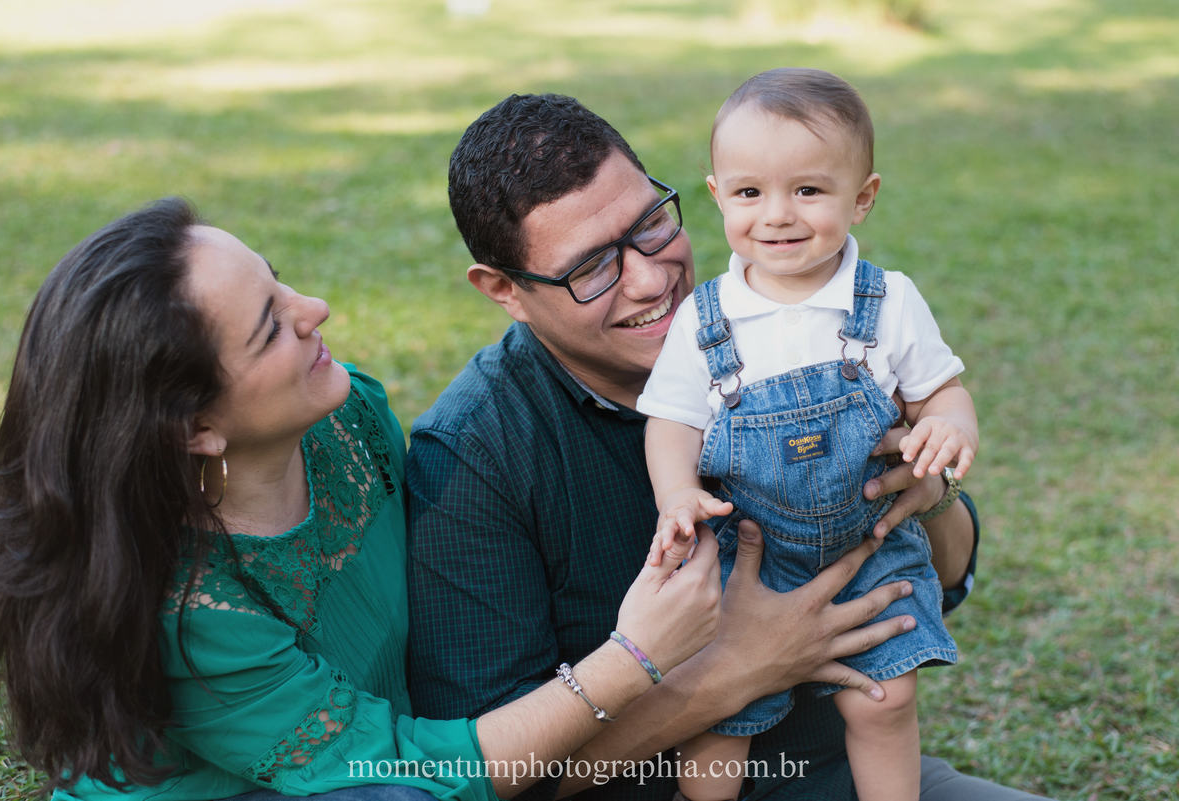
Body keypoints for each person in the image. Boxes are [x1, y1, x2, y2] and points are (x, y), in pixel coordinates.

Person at [408, 92, 1044, 801]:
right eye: (591, 268)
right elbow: (493, 777)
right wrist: (731, 670)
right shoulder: (472, 457)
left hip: (832, 772)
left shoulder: (788, 322)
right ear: (505, 289)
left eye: (651, 224)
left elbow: (948, 579)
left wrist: (931, 492)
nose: (651, 279)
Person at [0, 198, 724, 801]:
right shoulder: (190, 614)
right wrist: (635, 657)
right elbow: (399, 768)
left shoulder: (344, 412)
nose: (316, 307)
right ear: (196, 428)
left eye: (278, 281)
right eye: (273, 327)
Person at [639, 68, 979, 801]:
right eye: (750, 192)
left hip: (867, 544)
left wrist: (948, 427)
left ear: (863, 198)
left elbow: (941, 389)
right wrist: (677, 492)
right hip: (746, 558)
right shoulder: (706, 320)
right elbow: (673, 419)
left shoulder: (886, 302)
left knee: (883, 699)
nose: (778, 215)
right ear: (717, 195)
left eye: (810, 190)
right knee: (720, 715)